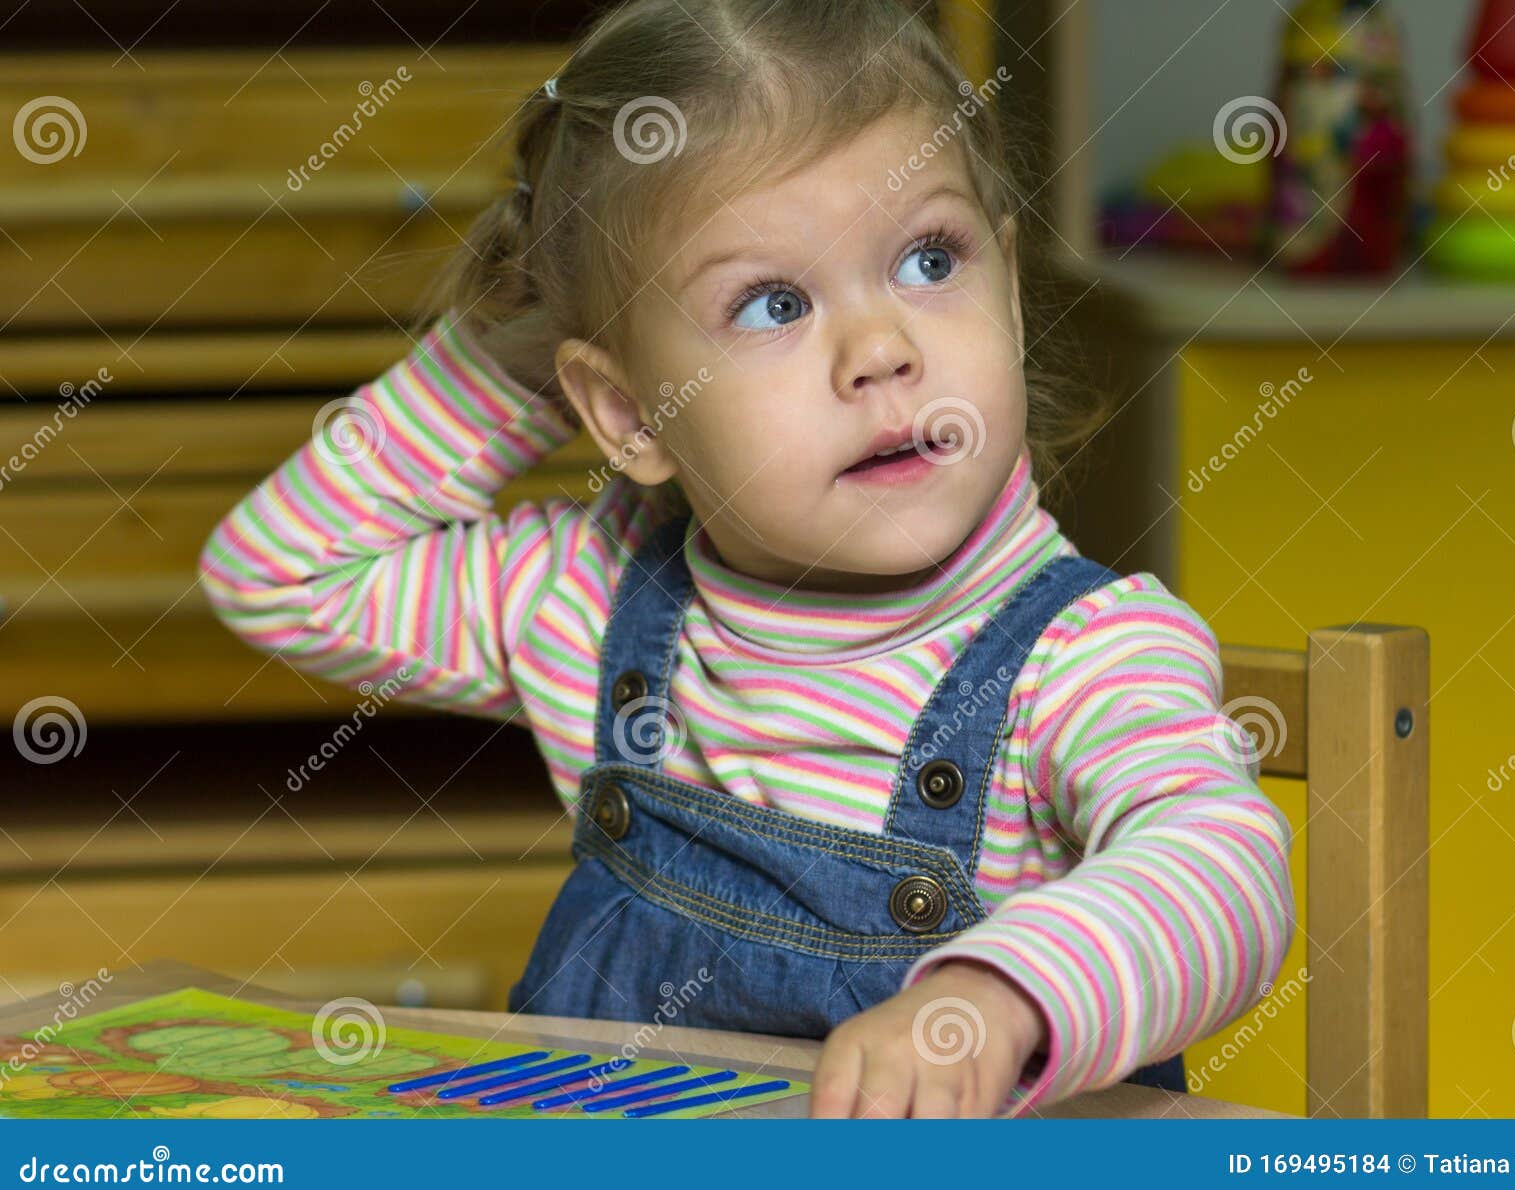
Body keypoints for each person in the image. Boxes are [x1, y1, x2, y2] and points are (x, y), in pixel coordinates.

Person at [201, 0, 1293, 1118]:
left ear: (1008, 293)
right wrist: (510, 344)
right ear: (626, 412)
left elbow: (1221, 868)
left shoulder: (1089, 654)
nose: (881, 351)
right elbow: (286, 573)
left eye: (928, 258)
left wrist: (997, 994)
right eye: (773, 303)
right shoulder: (582, 600)